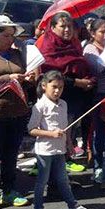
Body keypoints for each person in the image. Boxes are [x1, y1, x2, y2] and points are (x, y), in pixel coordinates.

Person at [28, 71, 94, 209]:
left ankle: (73, 207)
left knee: (63, 180)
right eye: (54, 87)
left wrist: (69, 143)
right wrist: (51, 134)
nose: (58, 91)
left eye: (61, 87)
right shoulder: (40, 106)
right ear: (44, 86)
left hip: (60, 149)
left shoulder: (63, 104)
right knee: (42, 181)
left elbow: (65, 127)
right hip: (45, 150)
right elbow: (31, 129)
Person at [37, 12, 94, 173]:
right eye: (63, 26)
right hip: (56, 96)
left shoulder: (74, 44)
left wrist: (88, 81)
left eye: (70, 26)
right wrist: (77, 82)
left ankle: (63, 164)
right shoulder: (48, 45)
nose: (67, 30)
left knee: (68, 132)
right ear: (53, 27)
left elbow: (79, 64)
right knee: (55, 132)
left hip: (74, 96)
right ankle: (49, 170)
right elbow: (50, 74)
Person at [0, 15, 32, 207]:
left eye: (12, 35)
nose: (10, 39)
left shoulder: (17, 54)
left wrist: (27, 78)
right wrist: (7, 78)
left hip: (17, 112)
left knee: (11, 154)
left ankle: (9, 190)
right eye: (6, 35)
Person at [83, 19, 105, 179]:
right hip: (99, 96)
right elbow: (100, 67)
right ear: (93, 33)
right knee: (99, 133)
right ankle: (98, 166)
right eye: (102, 31)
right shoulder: (90, 49)